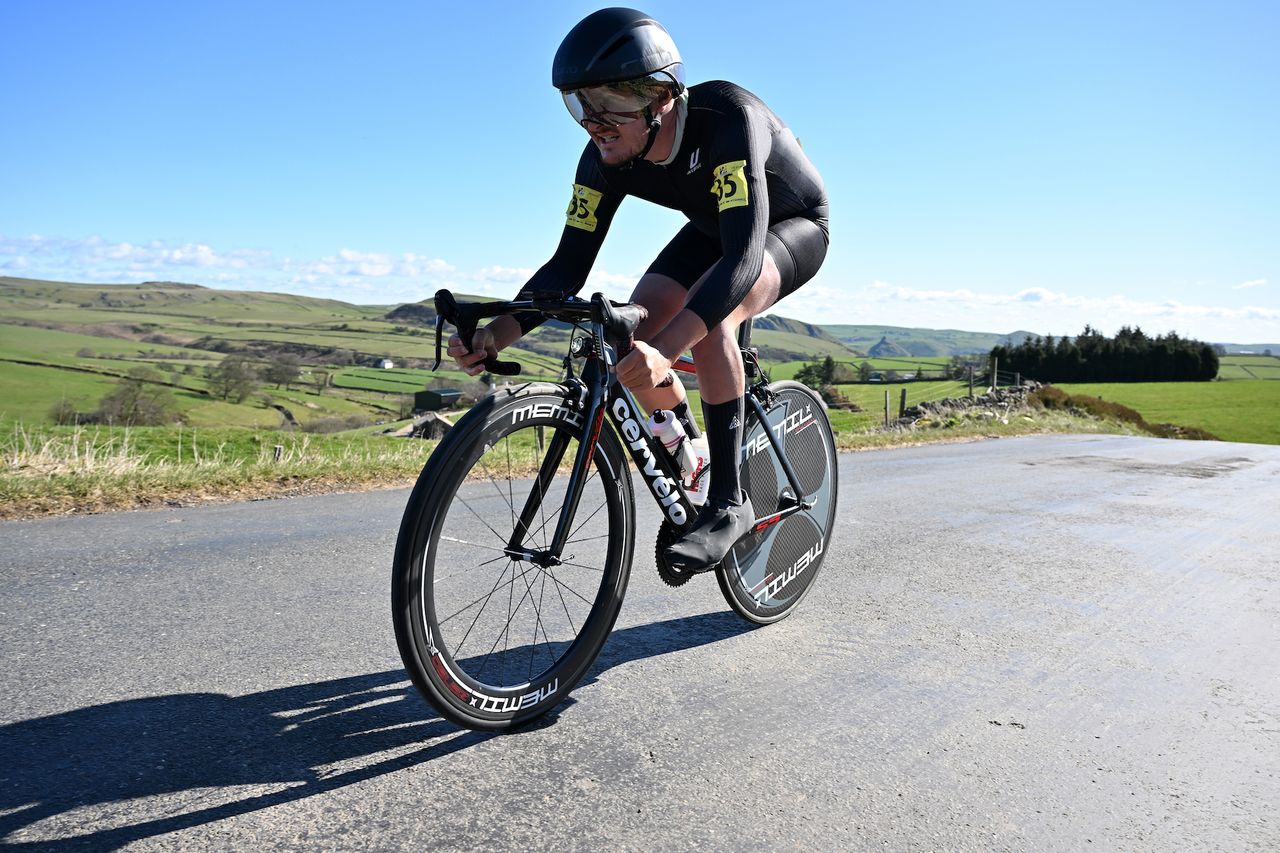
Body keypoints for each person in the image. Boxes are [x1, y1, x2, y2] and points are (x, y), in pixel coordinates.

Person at [448, 7, 829, 572]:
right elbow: (567, 265)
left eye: (610, 105)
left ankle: (729, 504)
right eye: (578, 104)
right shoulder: (602, 159)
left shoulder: (726, 116)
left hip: (787, 227)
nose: (594, 122)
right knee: (631, 331)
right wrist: (498, 333)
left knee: (710, 323)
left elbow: (743, 257)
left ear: (661, 97)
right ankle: (687, 448)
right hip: (708, 227)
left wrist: (668, 351)